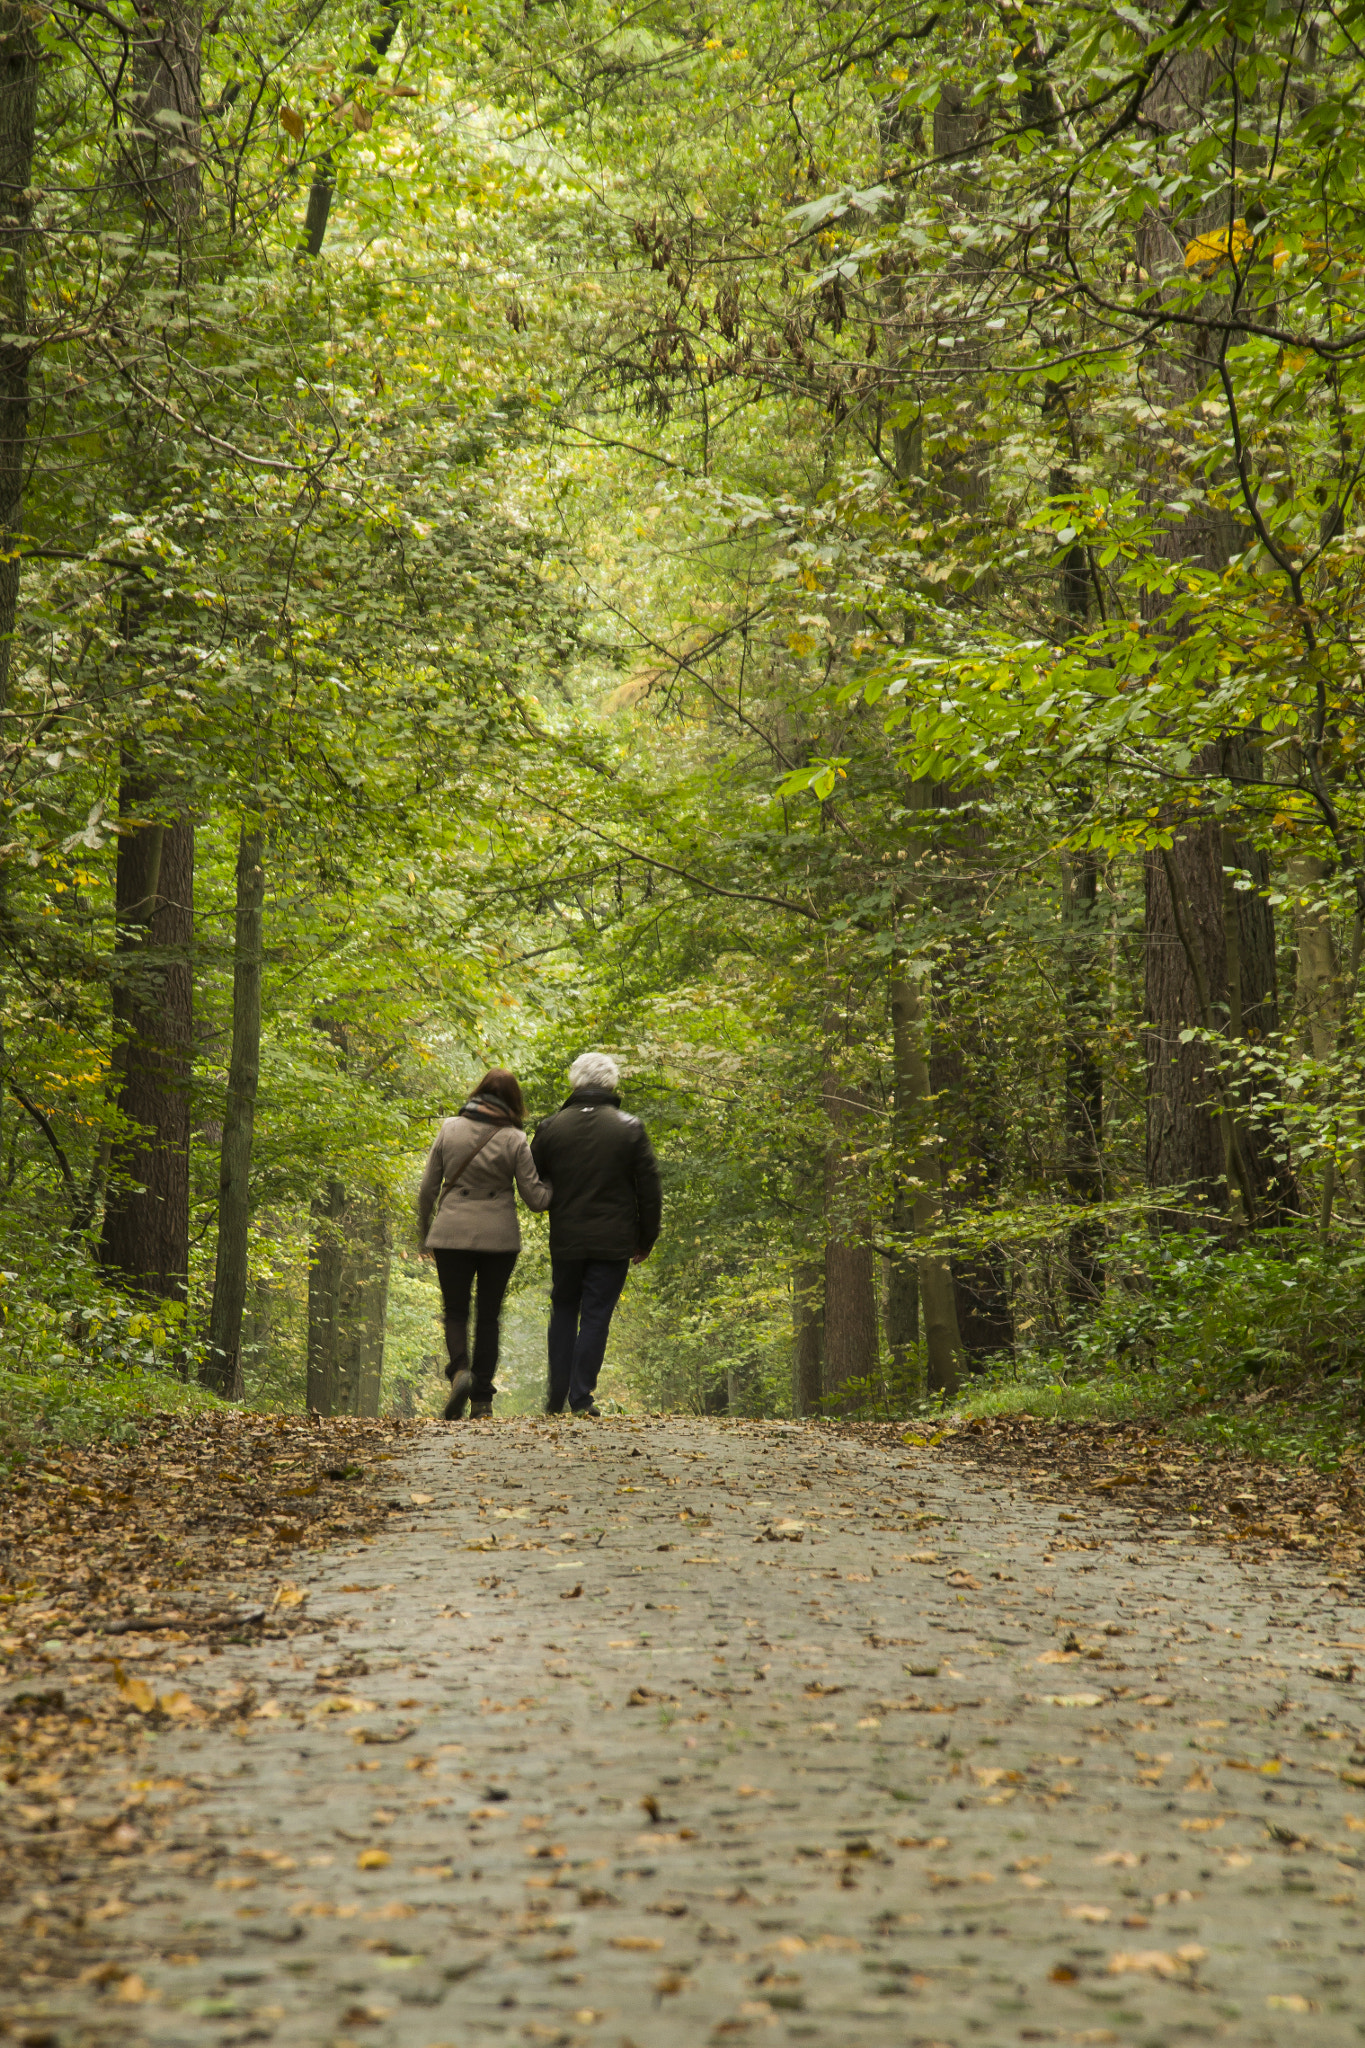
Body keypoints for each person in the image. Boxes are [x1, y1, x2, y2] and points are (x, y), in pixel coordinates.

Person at [530, 1051, 662, 1417]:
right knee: (596, 1315)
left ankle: (556, 1395)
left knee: (564, 1309)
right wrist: (645, 1238)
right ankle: (581, 1395)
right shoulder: (629, 1127)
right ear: (611, 1083)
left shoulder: (550, 1127)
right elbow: (649, 1189)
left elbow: (533, 1177)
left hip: (567, 1239)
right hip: (614, 1239)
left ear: (575, 1081)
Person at [417, 1068, 552, 1420]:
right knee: (489, 1316)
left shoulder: (449, 1128)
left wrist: (423, 1233)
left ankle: (460, 1371)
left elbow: (428, 1188)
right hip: (498, 1237)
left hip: (450, 1233)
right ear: (514, 1101)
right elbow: (536, 1199)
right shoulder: (514, 1139)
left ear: (478, 1092)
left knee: (456, 1311)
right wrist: (560, 1188)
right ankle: (482, 1400)